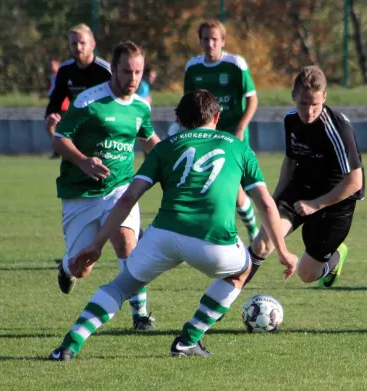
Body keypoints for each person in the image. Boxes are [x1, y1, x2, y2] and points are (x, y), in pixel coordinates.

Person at [48, 90, 298, 361]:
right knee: (242, 269)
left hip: (163, 235)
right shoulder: (237, 146)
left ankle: (68, 345)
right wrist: (283, 251)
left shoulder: (165, 147)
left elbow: (129, 197)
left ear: (178, 119)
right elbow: (266, 204)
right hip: (212, 240)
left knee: (121, 286)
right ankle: (188, 339)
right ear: (217, 117)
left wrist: (97, 244)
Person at [52, 41, 161, 330]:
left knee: (129, 245)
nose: (133, 79)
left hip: (120, 189)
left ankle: (140, 315)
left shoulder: (140, 107)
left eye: (138, 72)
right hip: (81, 193)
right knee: (82, 265)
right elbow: (59, 138)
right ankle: (65, 269)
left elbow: (151, 142)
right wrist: (83, 161)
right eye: (127, 71)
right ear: (113, 69)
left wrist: (171, 165)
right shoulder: (89, 102)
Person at [244, 66, 364, 289]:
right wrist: (276, 197)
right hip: (302, 188)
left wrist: (316, 204)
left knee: (307, 274)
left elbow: (355, 182)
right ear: (293, 97)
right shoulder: (291, 120)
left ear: (325, 98)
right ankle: (224, 299)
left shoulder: (337, 129)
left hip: (337, 201)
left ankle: (336, 257)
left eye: (315, 105)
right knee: (263, 243)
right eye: (303, 104)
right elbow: (290, 161)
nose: (309, 111)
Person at [181, 20, 260, 243]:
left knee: (236, 186)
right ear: (200, 41)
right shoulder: (193, 68)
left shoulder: (236, 65)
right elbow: (189, 103)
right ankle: (214, 234)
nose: (210, 43)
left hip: (232, 134)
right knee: (208, 185)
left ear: (223, 41)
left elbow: (252, 99)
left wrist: (241, 128)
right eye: (206, 39)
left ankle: (253, 230)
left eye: (215, 39)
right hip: (206, 137)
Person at [45, 24, 112, 158]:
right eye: (74, 43)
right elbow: (55, 101)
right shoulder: (65, 71)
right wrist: (51, 116)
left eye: (82, 43)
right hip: (78, 133)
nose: (78, 47)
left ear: (92, 44)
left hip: (105, 134)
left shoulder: (106, 71)